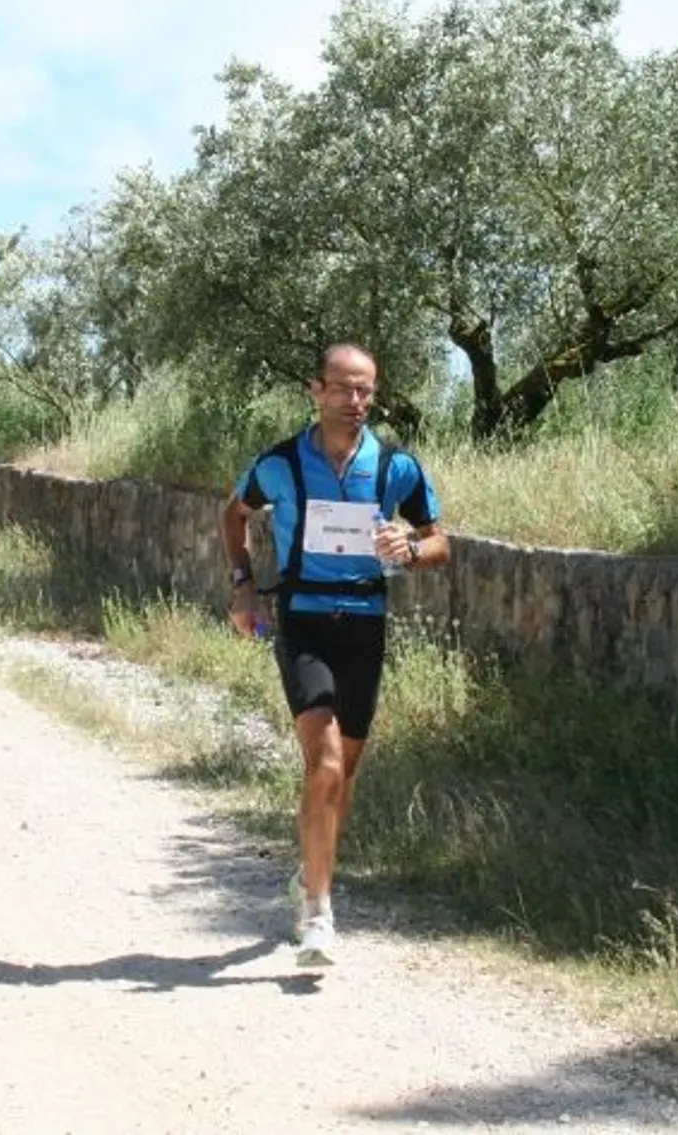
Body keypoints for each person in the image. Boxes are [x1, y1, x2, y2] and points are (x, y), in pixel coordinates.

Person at [220, 343, 448, 967]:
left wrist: (408, 548)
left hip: (366, 625)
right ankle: (318, 912)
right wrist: (244, 588)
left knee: (341, 778)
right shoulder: (281, 464)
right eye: (344, 389)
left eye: (366, 391)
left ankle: (309, 874)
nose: (356, 402)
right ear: (315, 390)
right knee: (321, 764)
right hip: (303, 622)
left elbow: (440, 543)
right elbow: (234, 515)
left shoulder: (396, 467)